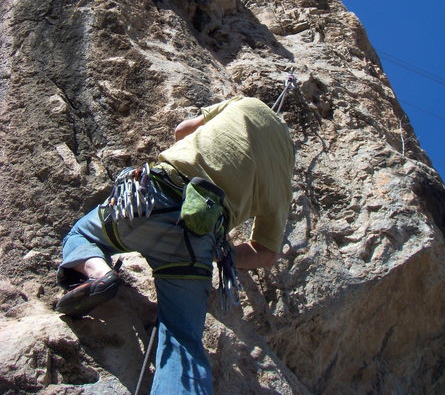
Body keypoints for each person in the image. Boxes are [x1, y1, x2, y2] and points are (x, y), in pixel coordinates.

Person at [55, 96, 295, 395]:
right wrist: (225, 254)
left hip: (148, 198)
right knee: (183, 341)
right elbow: (266, 252)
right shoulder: (284, 175)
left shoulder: (249, 104)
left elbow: (183, 130)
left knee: (82, 234)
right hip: (197, 238)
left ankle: (98, 272)